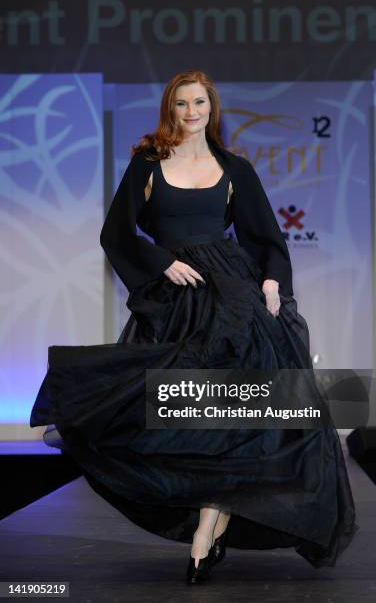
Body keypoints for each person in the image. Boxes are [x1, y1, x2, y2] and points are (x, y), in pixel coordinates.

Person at [30, 70, 359, 584]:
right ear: (171, 108)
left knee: (242, 413)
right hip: (176, 301)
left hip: (234, 297)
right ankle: (210, 519)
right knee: (185, 414)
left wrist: (272, 283)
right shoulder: (148, 162)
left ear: (211, 107)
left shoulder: (234, 168)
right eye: (182, 103)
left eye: (199, 102)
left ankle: (207, 530)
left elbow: (265, 235)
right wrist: (160, 262)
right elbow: (117, 231)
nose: (191, 111)